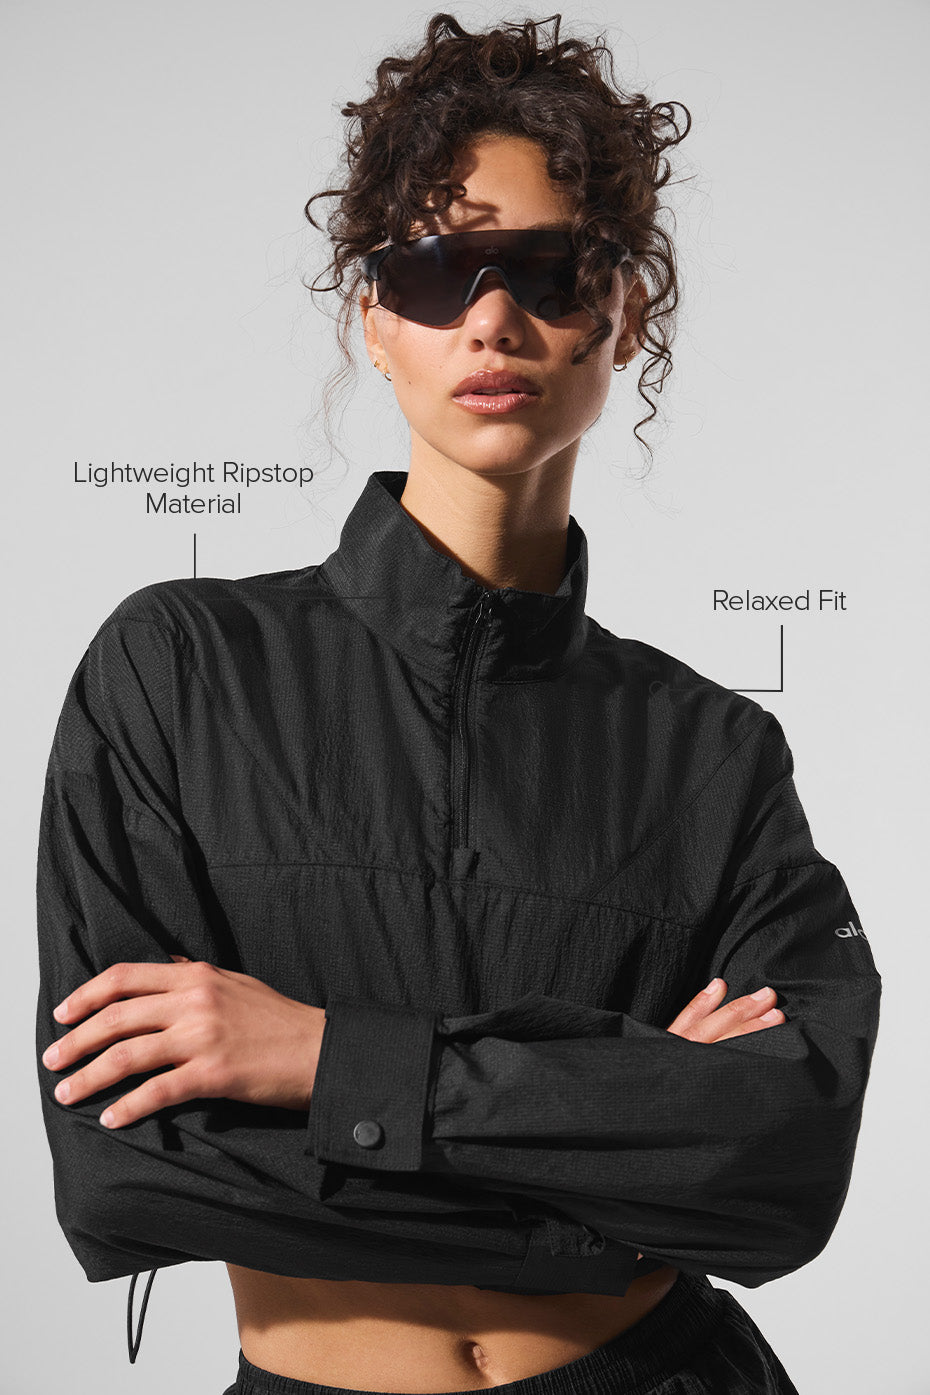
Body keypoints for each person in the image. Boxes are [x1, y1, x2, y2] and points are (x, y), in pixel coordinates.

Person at [35, 12, 881, 1395]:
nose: (490, 319)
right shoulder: (178, 671)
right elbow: (131, 1170)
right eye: (433, 272)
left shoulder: (715, 752)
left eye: (549, 271)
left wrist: (317, 1058)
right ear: (373, 321)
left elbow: (778, 1165)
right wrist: (621, 1145)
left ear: (625, 312)